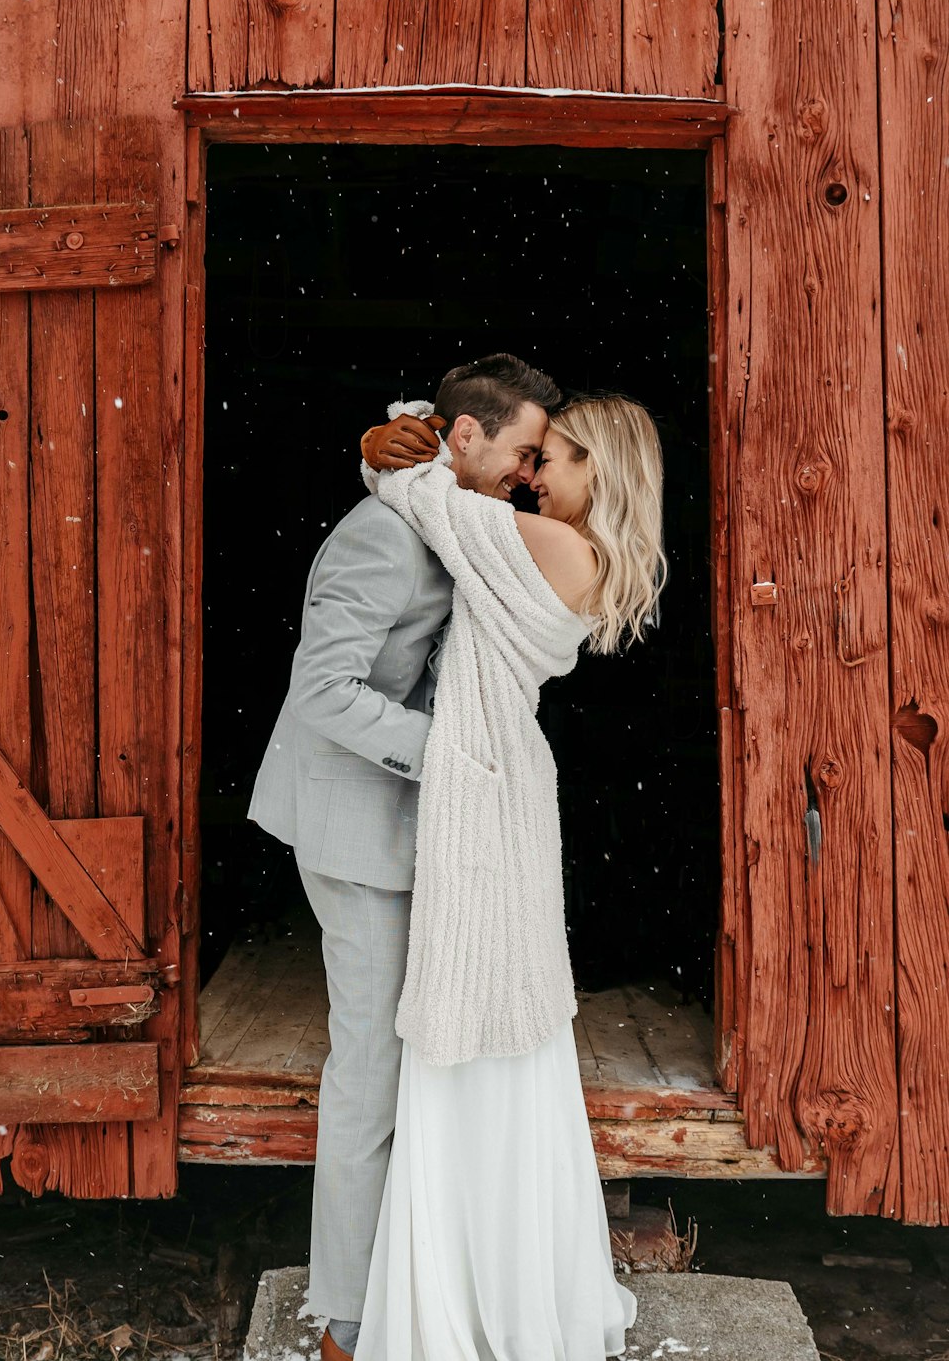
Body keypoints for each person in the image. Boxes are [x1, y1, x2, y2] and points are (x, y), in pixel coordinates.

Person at [247, 355, 561, 1361]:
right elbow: (322, 691)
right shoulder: (382, 535)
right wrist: (458, 759)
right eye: (517, 449)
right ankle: (345, 1313)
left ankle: (412, 1271)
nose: (525, 470)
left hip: (416, 826)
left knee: (413, 1061)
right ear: (464, 438)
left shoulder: (435, 502)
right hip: (353, 830)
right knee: (370, 1070)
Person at [349, 389, 668, 1359]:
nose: (534, 474)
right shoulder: (576, 552)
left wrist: (389, 429)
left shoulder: (550, 547)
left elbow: (418, 494)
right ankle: (520, 1280)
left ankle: (465, 1295)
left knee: (464, 1033)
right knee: (510, 1043)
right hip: (504, 785)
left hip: (484, 796)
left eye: (557, 459)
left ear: (599, 474)